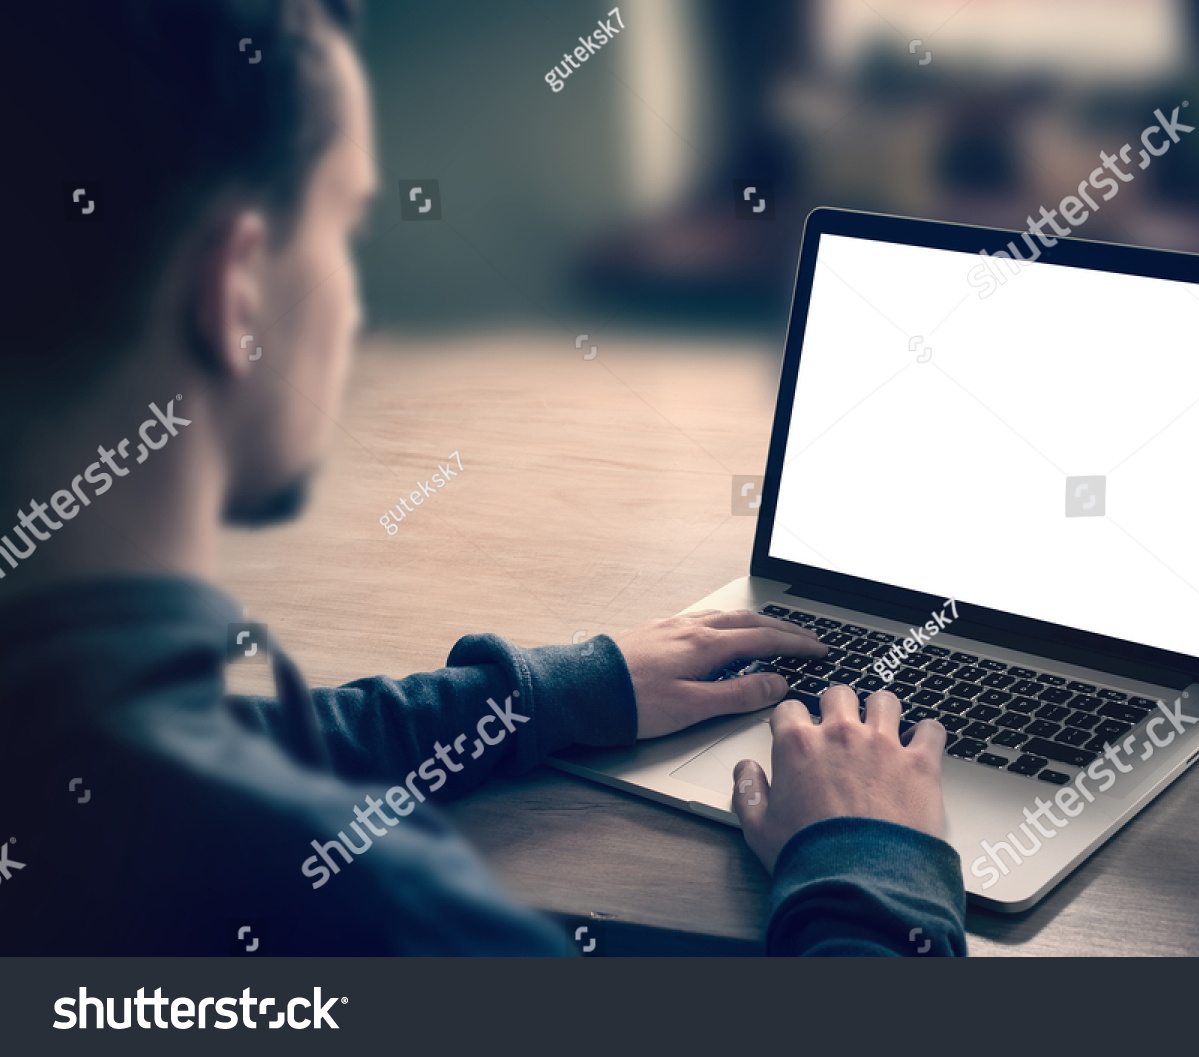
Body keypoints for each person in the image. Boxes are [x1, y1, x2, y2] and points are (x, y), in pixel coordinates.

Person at [0, 0, 965, 956]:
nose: (354, 309)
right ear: (237, 296)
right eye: (345, 227)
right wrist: (871, 864)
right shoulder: (409, 927)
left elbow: (206, 745)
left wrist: (548, 693)